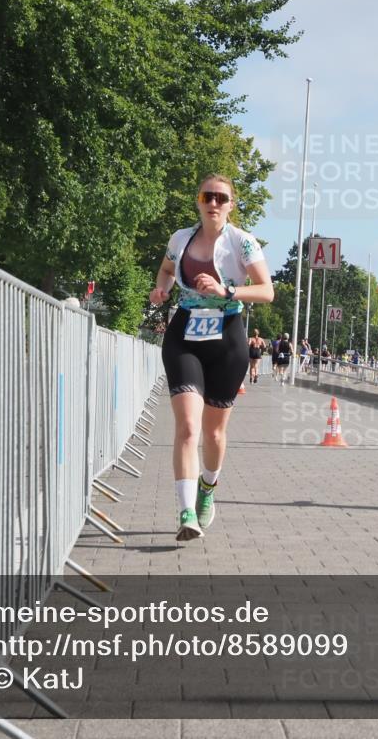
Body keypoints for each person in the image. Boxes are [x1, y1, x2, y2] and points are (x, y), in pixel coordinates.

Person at [149, 174, 274, 541]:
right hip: (185, 334)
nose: (214, 203)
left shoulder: (243, 242)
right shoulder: (180, 239)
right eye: (208, 197)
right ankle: (186, 512)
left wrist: (227, 290)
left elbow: (267, 291)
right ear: (198, 201)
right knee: (188, 427)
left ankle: (208, 487)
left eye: (221, 198)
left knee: (214, 432)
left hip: (227, 336)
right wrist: (161, 290)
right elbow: (167, 270)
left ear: (231, 205)